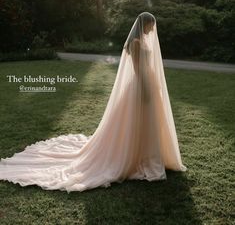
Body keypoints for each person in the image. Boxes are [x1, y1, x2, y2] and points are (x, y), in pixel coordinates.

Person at [0, 12, 187, 192]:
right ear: (143, 24)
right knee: (138, 121)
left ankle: (148, 153)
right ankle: (137, 155)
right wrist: (146, 90)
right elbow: (139, 70)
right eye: (150, 25)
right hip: (140, 86)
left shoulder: (140, 41)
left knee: (148, 123)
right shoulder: (136, 43)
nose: (151, 29)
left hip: (147, 84)